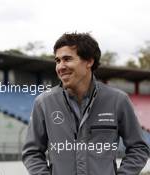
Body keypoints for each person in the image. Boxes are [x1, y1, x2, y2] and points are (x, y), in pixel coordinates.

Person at [22, 32, 150, 175]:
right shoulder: (43, 103)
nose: (60, 67)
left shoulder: (118, 100)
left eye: (67, 59)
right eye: (57, 61)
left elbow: (139, 148)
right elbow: (32, 153)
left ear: (89, 61)